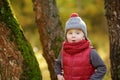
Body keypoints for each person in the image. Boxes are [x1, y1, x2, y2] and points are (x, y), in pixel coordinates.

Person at [55, 13, 107, 80]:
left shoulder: (90, 52)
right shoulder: (64, 50)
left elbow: (102, 68)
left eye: (77, 33)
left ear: (83, 36)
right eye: (70, 33)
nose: (73, 35)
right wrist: (59, 74)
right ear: (66, 35)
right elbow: (58, 63)